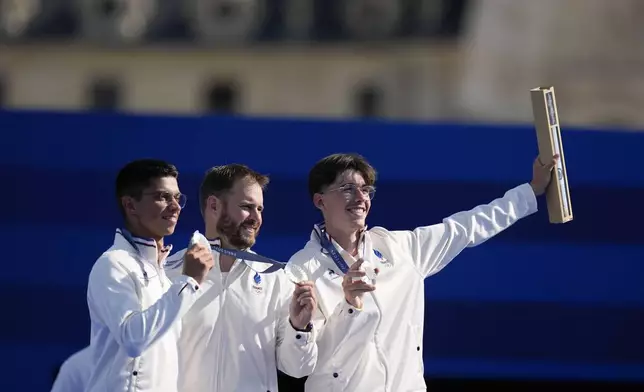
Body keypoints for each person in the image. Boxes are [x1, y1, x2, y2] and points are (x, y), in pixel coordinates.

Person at [286, 152, 558, 392]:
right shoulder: (301, 269)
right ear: (320, 201)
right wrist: (332, 314)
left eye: (366, 190)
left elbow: (467, 226)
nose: (360, 198)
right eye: (347, 188)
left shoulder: (401, 248)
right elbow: (298, 365)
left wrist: (531, 189)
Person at [164, 164, 318, 392]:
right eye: (247, 207)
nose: (256, 218)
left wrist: (300, 327)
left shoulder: (275, 278)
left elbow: (297, 369)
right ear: (214, 205)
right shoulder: (169, 272)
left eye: (260, 209)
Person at [85, 159, 214, 392]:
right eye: (163, 197)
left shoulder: (164, 274)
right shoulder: (113, 264)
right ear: (130, 205)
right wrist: (189, 281)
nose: (175, 207)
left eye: (177, 198)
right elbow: (133, 339)